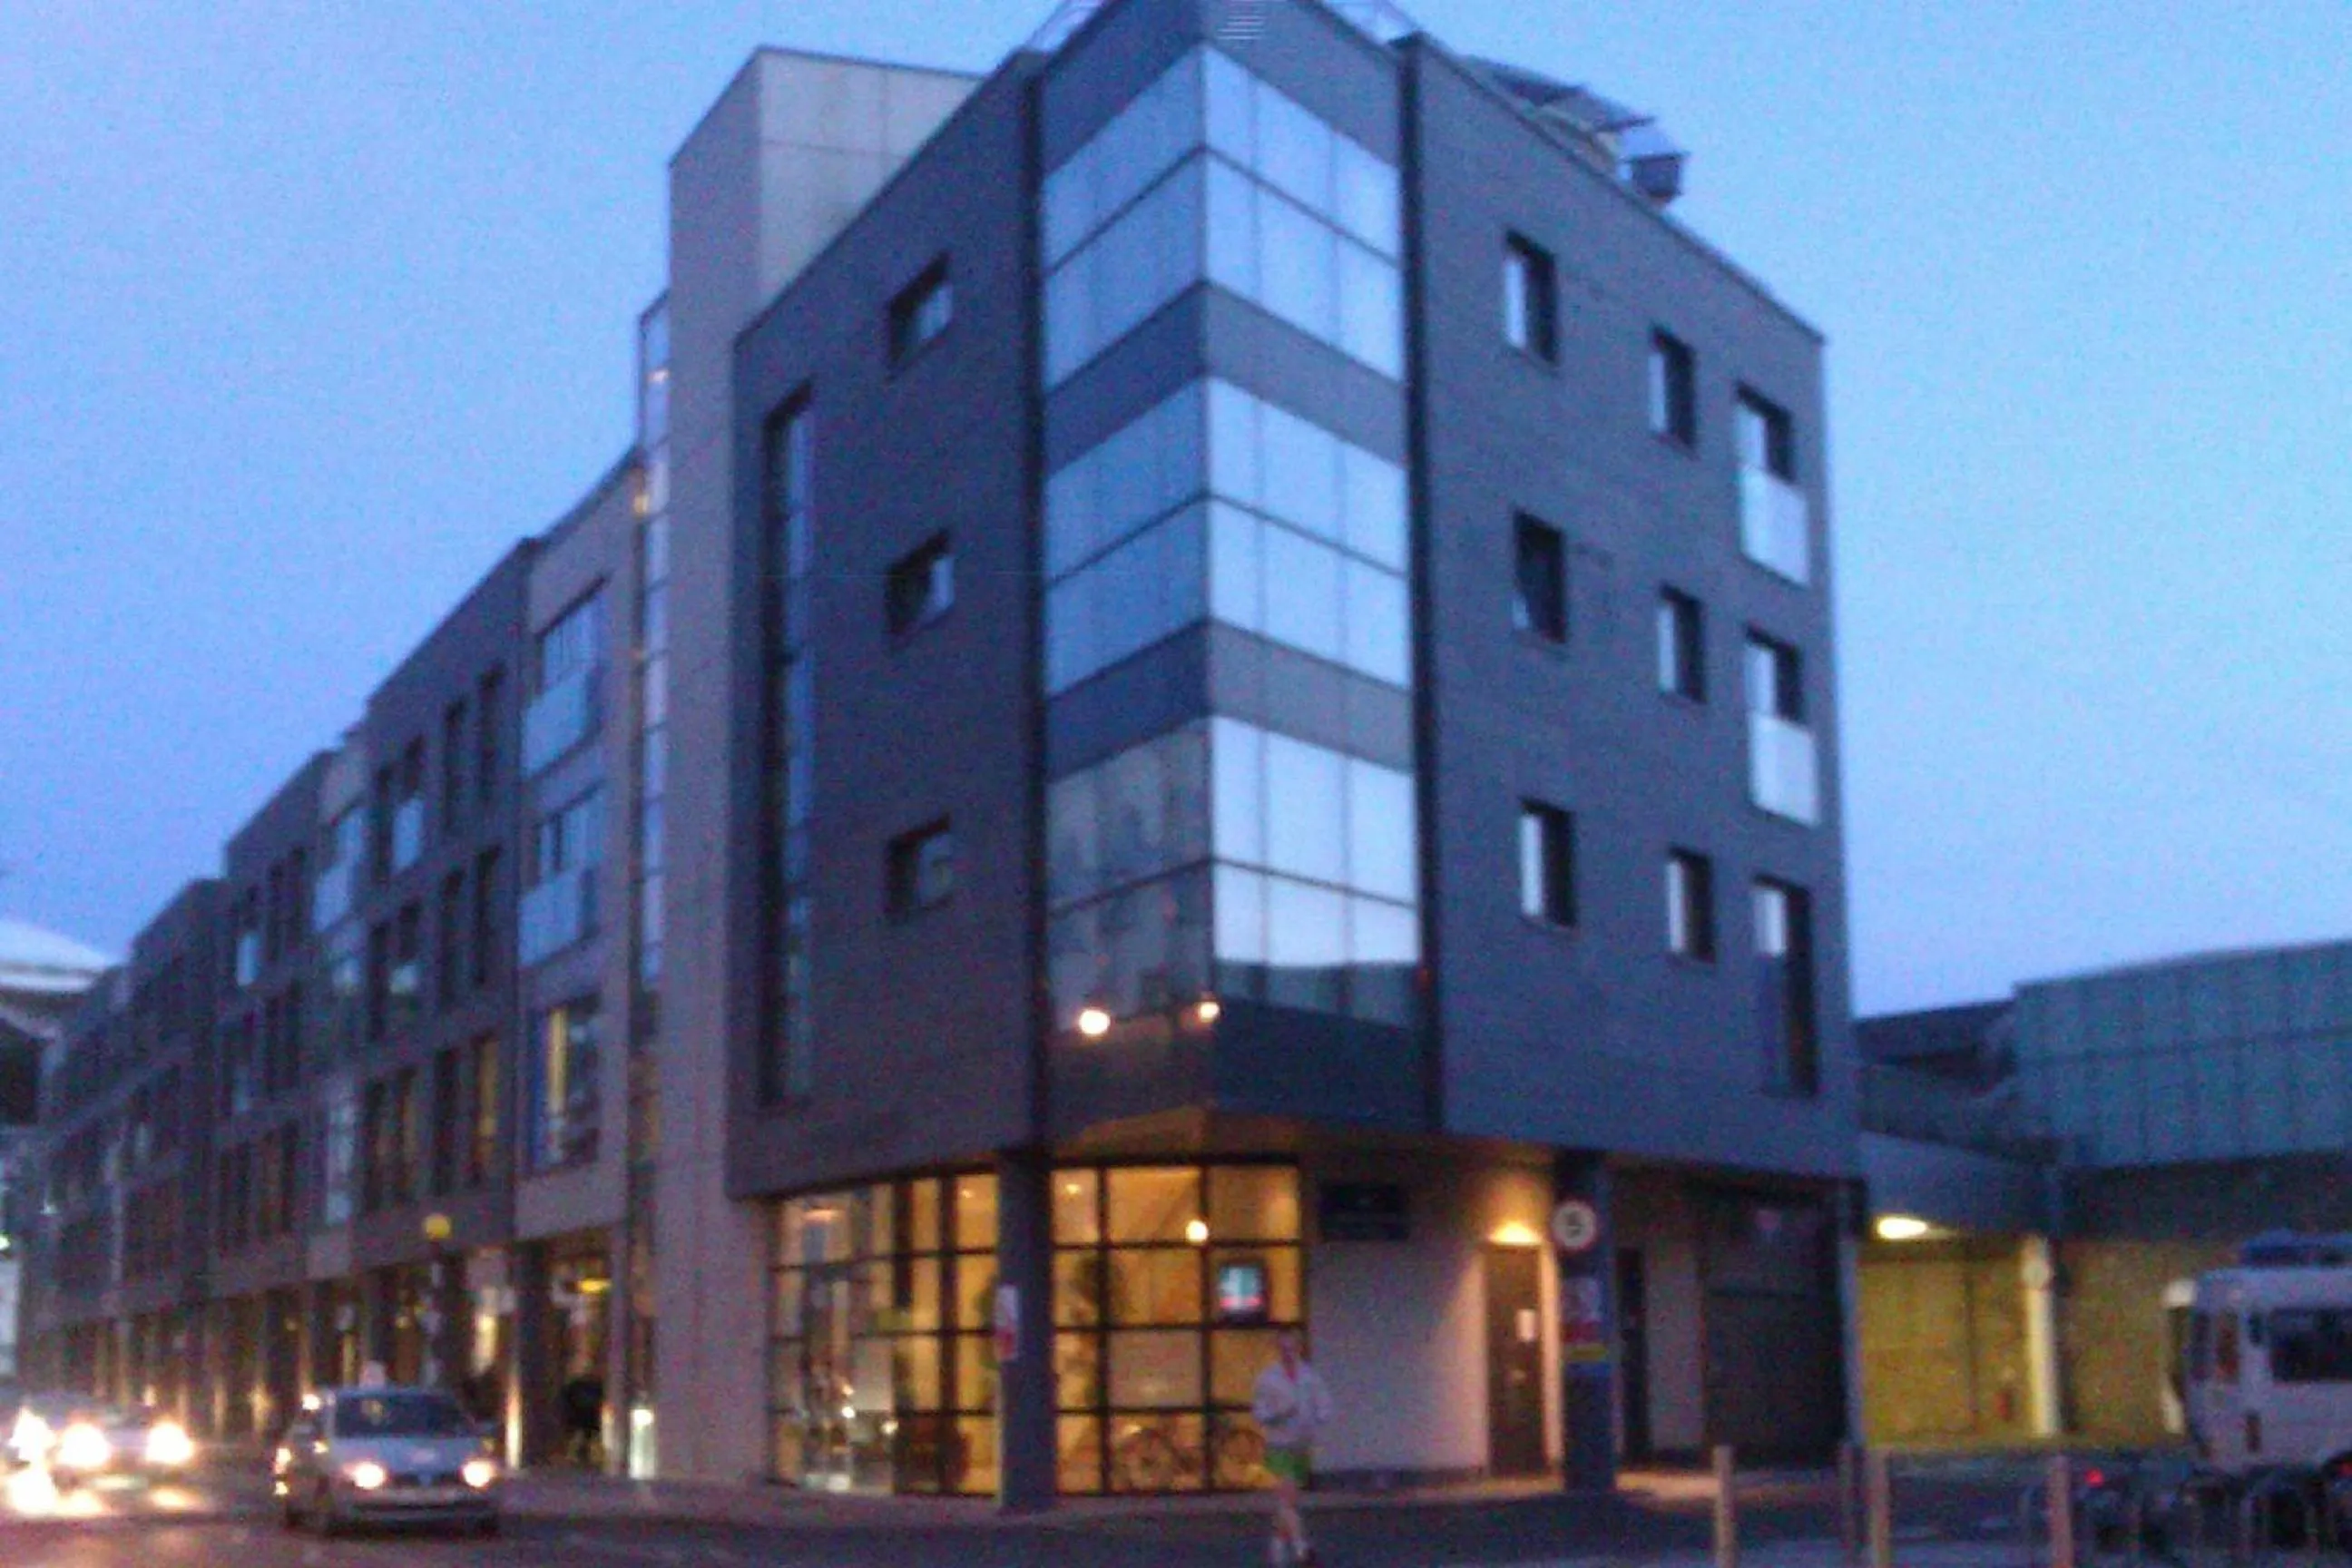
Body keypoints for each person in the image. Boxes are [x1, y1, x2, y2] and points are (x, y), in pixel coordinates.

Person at [1251, 1328, 1334, 1566]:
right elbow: (1260, 1412)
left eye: (1292, 1348)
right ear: (1277, 1349)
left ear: (1299, 1348)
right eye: (1283, 1348)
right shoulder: (1267, 1378)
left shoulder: (1310, 1376)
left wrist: (1318, 1419)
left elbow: (1325, 1404)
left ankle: (1277, 1547)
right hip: (1279, 1444)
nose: (1288, 1352)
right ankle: (1301, 1549)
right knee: (1287, 1495)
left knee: (1288, 1502)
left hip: (1301, 1444)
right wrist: (1278, 1413)